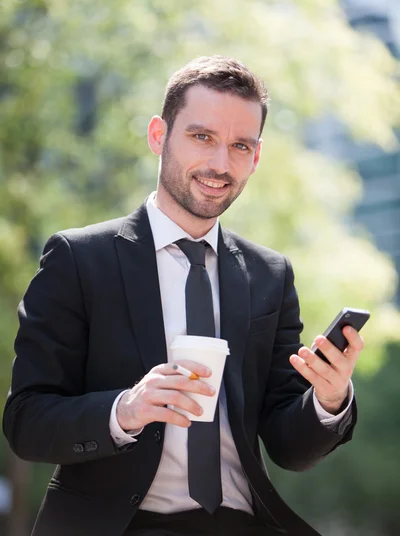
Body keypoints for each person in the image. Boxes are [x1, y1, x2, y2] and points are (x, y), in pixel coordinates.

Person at [3, 56, 363, 536]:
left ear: (256, 158)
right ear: (159, 135)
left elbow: (288, 448)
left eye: (240, 145)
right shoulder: (79, 259)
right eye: (202, 137)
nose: (220, 163)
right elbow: (26, 421)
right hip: (122, 525)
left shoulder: (269, 274)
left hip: (243, 524)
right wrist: (125, 410)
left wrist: (329, 398)